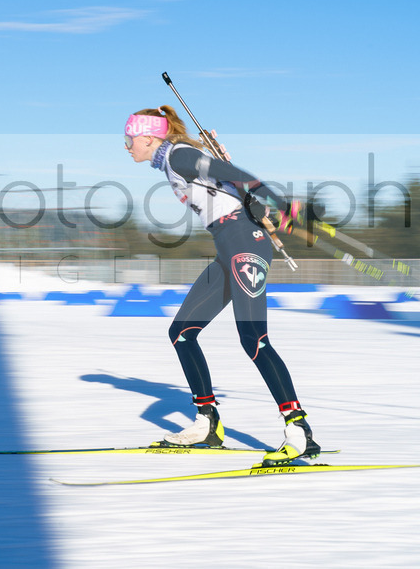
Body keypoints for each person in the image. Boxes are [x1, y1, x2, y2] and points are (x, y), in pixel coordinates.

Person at [124, 105, 320, 466]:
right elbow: (228, 184)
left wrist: (280, 204)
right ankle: (207, 423)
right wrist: (255, 203)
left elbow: (234, 173)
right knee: (182, 332)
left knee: (253, 338)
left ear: (150, 138)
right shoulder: (174, 159)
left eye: (130, 139)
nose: (127, 146)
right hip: (228, 243)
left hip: (244, 242)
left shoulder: (181, 155)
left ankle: (298, 430)